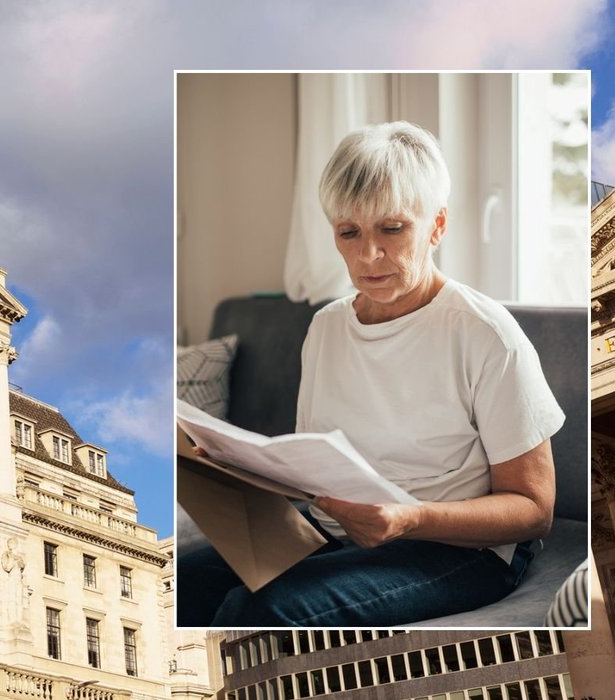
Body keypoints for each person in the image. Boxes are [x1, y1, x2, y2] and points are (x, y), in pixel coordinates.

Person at [179, 121, 564, 626]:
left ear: (438, 226)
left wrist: (410, 518)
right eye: (349, 232)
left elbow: (534, 510)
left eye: (392, 228)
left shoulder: (485, 333)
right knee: (181, 585)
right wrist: (232, 463)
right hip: (336, 530)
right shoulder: (326, 327)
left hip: (458, 548)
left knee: (260, 612)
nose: (368, 256)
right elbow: (312, 467)